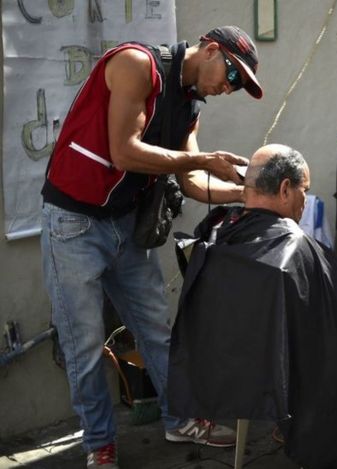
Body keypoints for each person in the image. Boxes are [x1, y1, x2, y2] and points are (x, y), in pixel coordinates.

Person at [40, 25, 263, 469]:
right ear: (211, 49)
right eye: (232, 76)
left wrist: (248, 192)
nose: (228, 88)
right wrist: (201, 158)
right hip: (74, 222)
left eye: (237, 86)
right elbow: (125, 152)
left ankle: (179, 417)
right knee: (83, 344)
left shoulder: (188, 106)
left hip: (126, 224)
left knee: (158, 329)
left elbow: (194, 182)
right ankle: (99, 444)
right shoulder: (136, 65)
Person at [168, 144, 337, 469]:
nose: (305, 200)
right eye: (305, 190)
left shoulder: (218, 232)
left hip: (241, 363)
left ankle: (292, 424)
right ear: (285, 188)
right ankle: (335, 448)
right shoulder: (295, 248)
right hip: (293, 369)